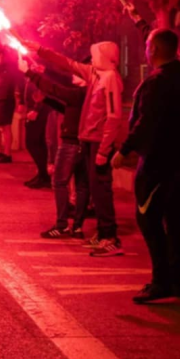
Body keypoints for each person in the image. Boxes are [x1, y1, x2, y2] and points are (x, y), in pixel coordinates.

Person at [112, 28, 180, 303]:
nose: (146, 49)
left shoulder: (157, 82)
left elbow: (145, 122)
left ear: (154, 50)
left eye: (148, 44)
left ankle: (162, 281)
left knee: (148, 218)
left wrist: (124, 150)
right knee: (173, 217)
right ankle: (175, 280)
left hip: (159, 161)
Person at [27, 38, 125, 257]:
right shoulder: (96, 75)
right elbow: (68, 64)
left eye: (97, 53)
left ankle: (111, 238)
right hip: (89, 140)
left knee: (101, 190)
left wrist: (104, 149)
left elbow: (114, 116)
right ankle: (102, 233)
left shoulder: (110, 79)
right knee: (94, 188)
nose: (93, 57)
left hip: (99, 142)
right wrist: (41, 50)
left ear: (106, 57)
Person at [23, 59, 91, 239]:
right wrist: (47, 99)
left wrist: (30, 73)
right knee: (82, 185)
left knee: (59, 182)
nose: (73, 76)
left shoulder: (79, 93)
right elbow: (66, 107)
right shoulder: (86, 94)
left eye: (78, 74)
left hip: (71, 143)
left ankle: (61, 225)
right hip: (82, 142)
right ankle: (77, 227)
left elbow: (55, 88)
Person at [20, 73, 51, 188]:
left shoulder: (42, 74)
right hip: (33, 109)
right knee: (36, 144)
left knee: (33, 143)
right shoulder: (31, 75)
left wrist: (36, 109)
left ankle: (44, 175)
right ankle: (42, 174)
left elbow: (43, 92)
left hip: (40, 112)